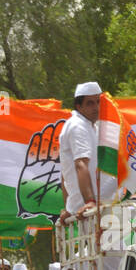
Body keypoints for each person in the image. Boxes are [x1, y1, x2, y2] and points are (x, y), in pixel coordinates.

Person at [59, 81, 102, 218]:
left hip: (90, 208)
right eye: (90, 103)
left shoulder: (92, 126)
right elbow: (80, 164)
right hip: (89, 209)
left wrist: (67, 207)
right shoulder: (78, 126)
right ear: (79, 106)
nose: (96, 107)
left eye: (98, 102)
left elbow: (64, 174)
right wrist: (89, 201)